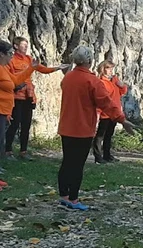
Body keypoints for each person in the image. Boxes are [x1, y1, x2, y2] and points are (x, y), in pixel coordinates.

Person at [57, 46, 135, 211]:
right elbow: (106, 103)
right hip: (83, 128)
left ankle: (63, 195)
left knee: (67, 161)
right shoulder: (92, 81)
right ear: (90, 61)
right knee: (78, 165)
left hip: (66, 126)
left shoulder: (68, 78)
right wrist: (122, 120)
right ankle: (73, 198)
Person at [4, 37, 68, 160]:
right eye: (23, 45)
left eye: (26, 45)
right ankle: (8, 151)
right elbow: (11, 77)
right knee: (14, 124)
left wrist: (58, 68)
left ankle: (23, 151)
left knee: (26, 125)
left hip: (29, 97)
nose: (25, 47)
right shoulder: (11, 60)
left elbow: (42, 69)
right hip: (17, 97)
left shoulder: (29, 59)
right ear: (16, 46)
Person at [0, 41, 39, 185]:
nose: (11, 56)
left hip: (5, 110)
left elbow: (15, 79)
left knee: (1, 140)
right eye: (9, 53)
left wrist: (31, 68)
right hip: (1, 109)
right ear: (1, 54)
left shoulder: (3, 68)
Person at [92, 60, 128, 164]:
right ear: (103, 69)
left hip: (115, 112)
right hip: (105, 113)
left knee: (109, 135)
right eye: (108, 68)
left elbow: (123, 92)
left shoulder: (114, 81)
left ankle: (107, 155)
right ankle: (98, 157)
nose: (111, 71)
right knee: (100, 135)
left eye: (112, 69)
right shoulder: (102, 82)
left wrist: (121, 85)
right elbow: (103, 98)